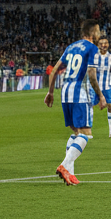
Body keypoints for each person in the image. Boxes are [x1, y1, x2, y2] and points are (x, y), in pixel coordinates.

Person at [44, 19, 105, 185]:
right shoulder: (92, 48)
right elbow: (91, 75)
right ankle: (64, 165)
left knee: (76, 132)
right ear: (92, 33)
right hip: (79, 92)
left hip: (65, 91)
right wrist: (100, 95)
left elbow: (54, 71)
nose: (100, 34)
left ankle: (70, 173)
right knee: (86, 134)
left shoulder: (70, 47)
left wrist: (50, 92)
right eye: (98, 31)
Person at [93, 36, 111, 139]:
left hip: (107, 86)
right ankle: (85, 131)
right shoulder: (94, 57)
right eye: (101, 43)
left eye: (105, 43)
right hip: (94, 87)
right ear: (98, 45)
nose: (103, 45)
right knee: (88, 107)